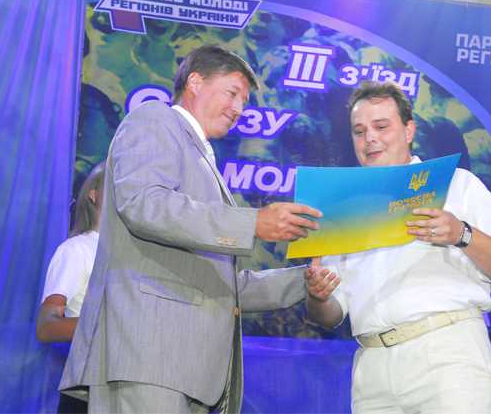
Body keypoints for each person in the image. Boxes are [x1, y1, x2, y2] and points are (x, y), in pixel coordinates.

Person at [59, 45, 322, 414]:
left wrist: (305, 280)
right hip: (149, 358)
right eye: (232, 93)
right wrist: (253, 223)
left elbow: (223, 286)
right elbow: (144, 203)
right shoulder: (156, 120)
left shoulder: (204, 163)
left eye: (244, 101)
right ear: (195, 81)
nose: (238, 109)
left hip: (187, 372)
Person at [305, 82, 491, 414]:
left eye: (381, 126)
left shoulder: (456, 184)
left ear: (409, 130)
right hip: (371, 370)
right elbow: (330, 315)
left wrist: (461, 233)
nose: (370, 138)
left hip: (447, 357)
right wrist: (318, 295)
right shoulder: (341, 208)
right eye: (359, 131)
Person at [37, 162, 105, 413]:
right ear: (93, 194)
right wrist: (108, 325)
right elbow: (46, 326)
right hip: (85, 393)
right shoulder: (76, 250)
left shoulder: (133, 256)